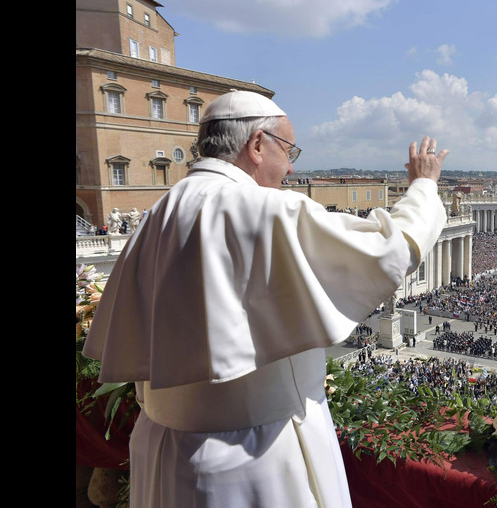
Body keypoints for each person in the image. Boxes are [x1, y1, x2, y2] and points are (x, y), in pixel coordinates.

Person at [82, 90, 449, 508]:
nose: (291, 167)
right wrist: (423, 186)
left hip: (167, 452)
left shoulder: (159, 213)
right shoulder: (265, 209)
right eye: (289, 150)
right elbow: (389, 250)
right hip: (256, 458)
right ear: (257, 144)